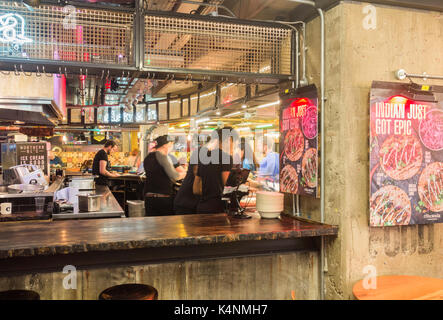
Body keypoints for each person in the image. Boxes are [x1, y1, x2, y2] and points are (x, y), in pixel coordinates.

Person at [193, 127, 236, 214]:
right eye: (234, 142)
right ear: (228, 139)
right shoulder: (226, 157)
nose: (234, 145)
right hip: (218, 209)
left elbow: (195, 189)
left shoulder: (204, 157)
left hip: (202, 207)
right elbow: (227, 185)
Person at [143, 135, 186, 216]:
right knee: (165, 226)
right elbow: (175, 176)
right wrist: (185, 174)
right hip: (163, 199)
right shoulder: (164, 158)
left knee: (151, 226)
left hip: (149, 199)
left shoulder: (148, 157)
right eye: (171, 144)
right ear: (166, 145)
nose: (172, 147)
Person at [174, 137, 215, 215]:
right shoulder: (203, 152)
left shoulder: (203, 152)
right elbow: (197, 172)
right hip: (188, 202)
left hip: (189, 201)